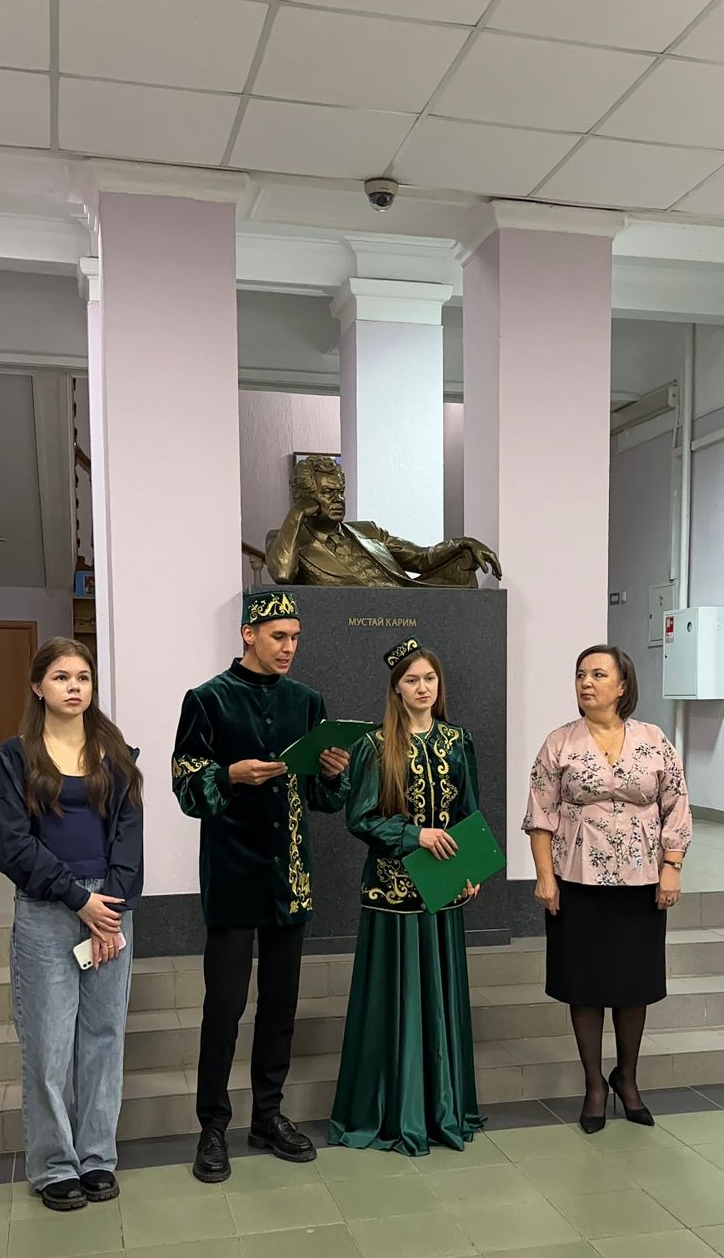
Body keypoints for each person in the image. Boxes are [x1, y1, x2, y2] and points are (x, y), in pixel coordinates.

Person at [172, 588, 350, 1182]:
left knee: (279, 1006)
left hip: (288, 874)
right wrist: (230, 774)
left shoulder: (307, 702)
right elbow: (186, 788)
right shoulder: (208, 700)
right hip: (231, 873)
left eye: (295, 637)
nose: (289, 647)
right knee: (223, 1008)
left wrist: (333, 773)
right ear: (248, 633)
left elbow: (324, 797)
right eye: (279, 637)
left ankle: (268, 1116)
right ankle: (212, 1127)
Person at [0, 637, 143, 1211]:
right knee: (49, 1044)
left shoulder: (116, 753)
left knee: (103, 1038)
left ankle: (97, 1156)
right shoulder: (16, 757)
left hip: (110, 911)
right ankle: (55, 1164)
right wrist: (78, 898)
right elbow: (12, 845)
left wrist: (111, 907)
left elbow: (129, 835)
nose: (74, 687)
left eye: (83, 677)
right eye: (61, 677)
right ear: (38, 687)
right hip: (48, 910)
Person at [524, 644, 691, 1135]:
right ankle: (594, 1085)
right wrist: (544, 876)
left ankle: (628, 1079)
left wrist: (672, 866)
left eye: (598, 674)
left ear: (622, 686)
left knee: (634, 984)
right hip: (576, 881)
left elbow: (676, 805)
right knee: (585, 983)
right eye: (581, 674)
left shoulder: (654, 739)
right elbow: (539, 815)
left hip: (641, 881)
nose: (586, 682)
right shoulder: (560, 742)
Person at [329, 638, 485, 1155]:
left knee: (439, 998)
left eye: (430, 679)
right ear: (396, 688)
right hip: (391, 892)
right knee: (396, 1000)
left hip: (442, 889)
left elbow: (468, 812)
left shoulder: (458, 741)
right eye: (412, 680)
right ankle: (395, 1111)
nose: (423, 688)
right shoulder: (375, 746)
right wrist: (415, 834)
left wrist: (471, 868)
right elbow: (360, 818)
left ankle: (443, 1108)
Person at [266, 454, 501, 588]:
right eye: (328, 493)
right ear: (306, 498)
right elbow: (283, 574)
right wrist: (296, 515)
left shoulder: (368, 531)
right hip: (353, 619)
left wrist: (462, 544)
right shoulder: (284, 539)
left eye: (341, 492)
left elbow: (422, 558)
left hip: (406, 605)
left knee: (462, 571)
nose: (338, 499)